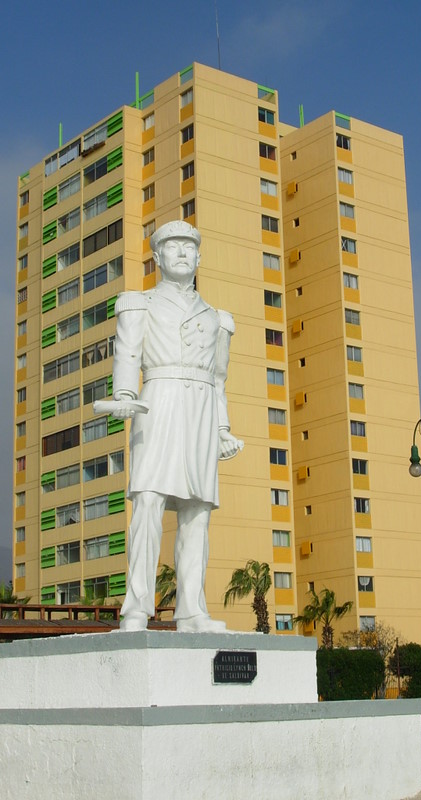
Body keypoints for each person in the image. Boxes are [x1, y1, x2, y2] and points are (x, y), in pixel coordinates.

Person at [110, 220, 242, 632]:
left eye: (189, 246)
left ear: (200, 257)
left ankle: (191, 609)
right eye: (173, 246)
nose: (182, 252)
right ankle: (136, 607)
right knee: (147, 501)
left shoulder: (218, 319)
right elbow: (127, 355)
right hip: (159, 400)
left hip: (201, 408)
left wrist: (222, 429)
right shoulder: (138, 303)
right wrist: (126, 397)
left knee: (197, 511)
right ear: (157, 257)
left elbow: (219, 379)